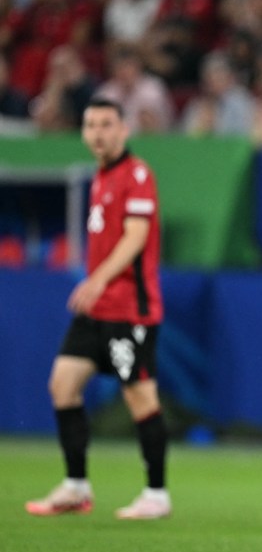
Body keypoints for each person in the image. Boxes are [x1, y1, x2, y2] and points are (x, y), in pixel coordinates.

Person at [25, 97, 171, 521]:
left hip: (130, 309)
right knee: (62, 384)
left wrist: (98, 279)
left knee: (140, 396)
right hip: (97, 308)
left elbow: (136, 236)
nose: (98, 133)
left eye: (106, 124)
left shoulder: (137, 174)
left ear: (123, 129)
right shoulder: (100, 177)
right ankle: (75, 486)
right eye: (90, 125)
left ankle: (157, 494)